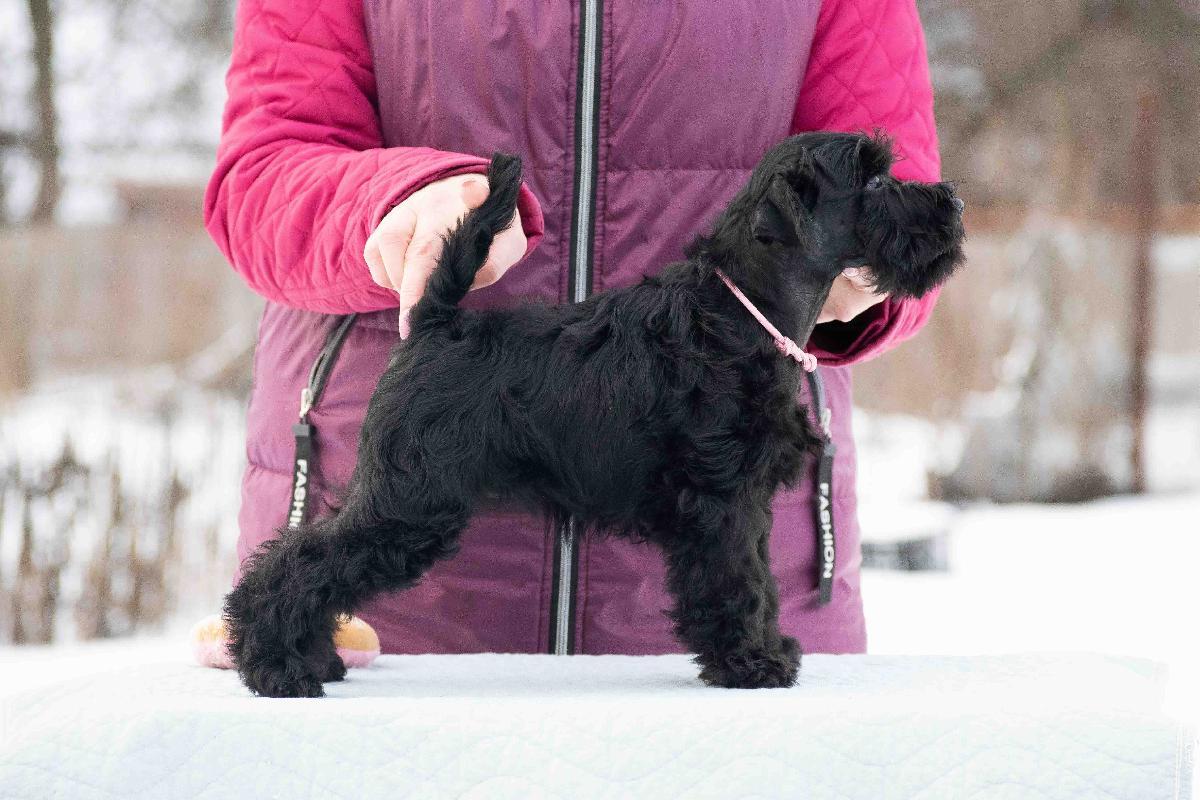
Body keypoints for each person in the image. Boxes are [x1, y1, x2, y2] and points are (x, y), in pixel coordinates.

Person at [203, 0, 943, 657]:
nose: (908, 196)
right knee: (390, 533)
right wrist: (392, 204)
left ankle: (740, 640)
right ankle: (274, 617)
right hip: (410, 631)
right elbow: (263, 169)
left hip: (784, 600)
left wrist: (857, 292)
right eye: (876, 185)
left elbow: (894, 171)